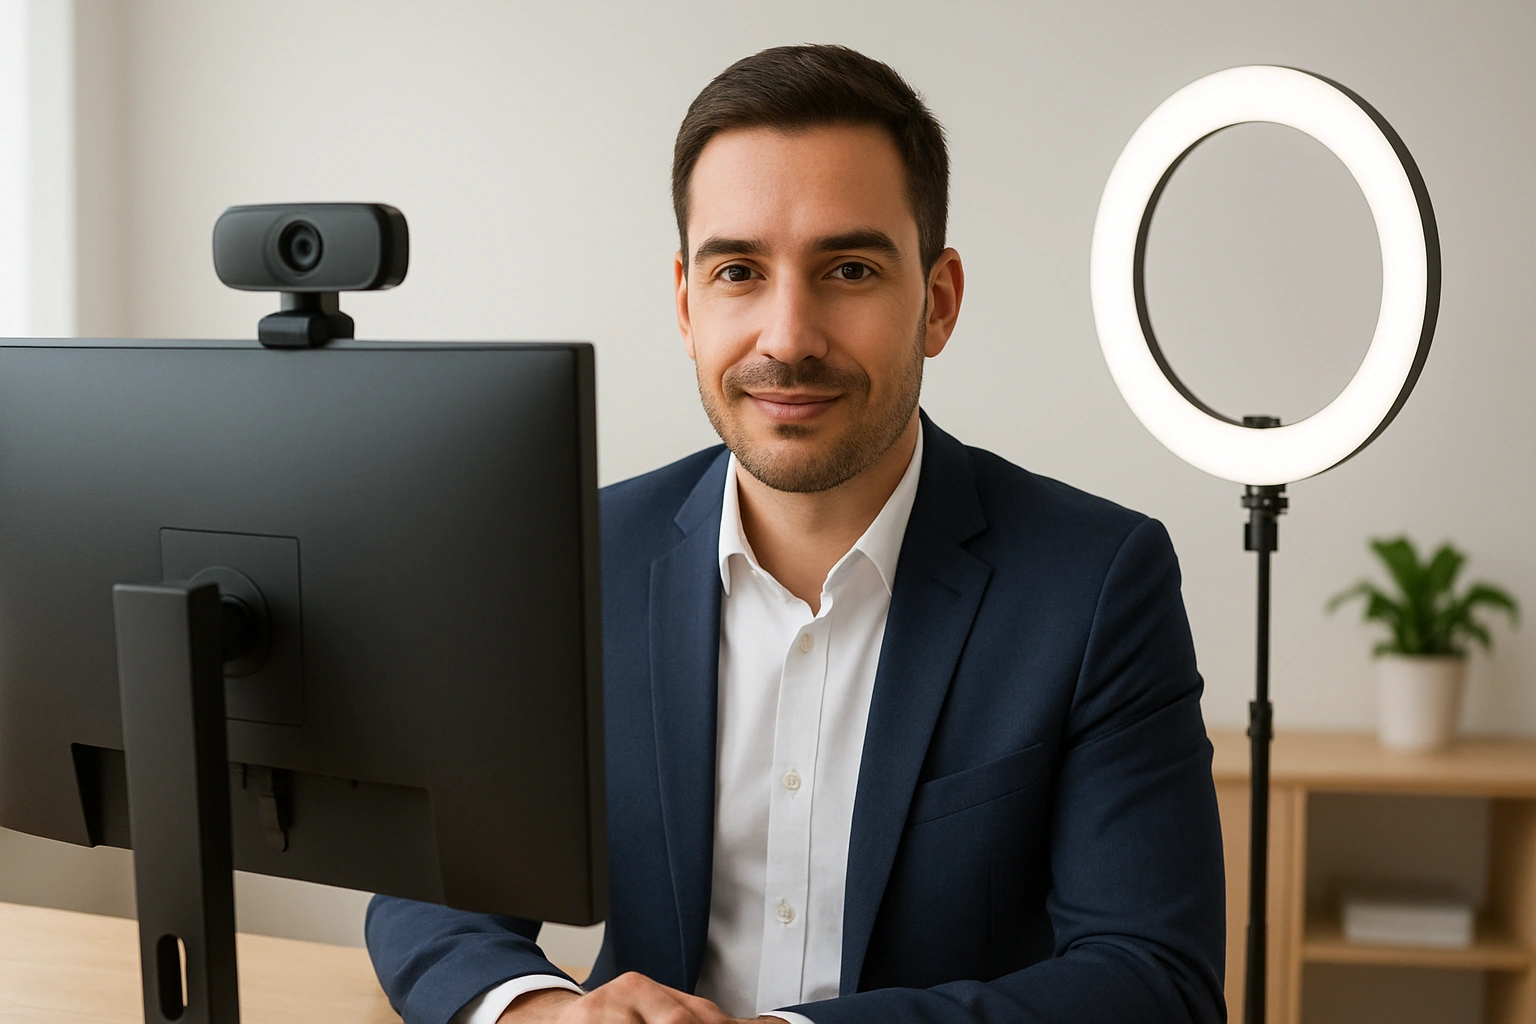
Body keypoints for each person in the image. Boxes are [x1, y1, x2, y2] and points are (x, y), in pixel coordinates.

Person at [367, 43, 1226, 1024]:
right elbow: (432, 894)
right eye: (738, 271)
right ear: (687, 304)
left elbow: (1153, 979)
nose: (787, 337)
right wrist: (543, 1014)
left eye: (849, 269)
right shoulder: (572, 560)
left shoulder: (1097, 583)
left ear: (938, 302)